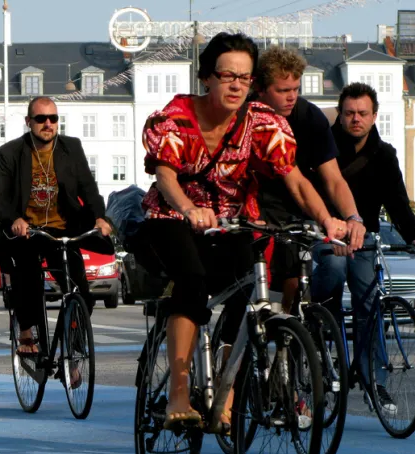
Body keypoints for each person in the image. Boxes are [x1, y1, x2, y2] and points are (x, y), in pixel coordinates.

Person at [134, 32, 346, 431]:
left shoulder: (264, 124)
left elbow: (296, 180)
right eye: (227, 75)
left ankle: (227, 390)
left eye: (244, 78)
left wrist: (328, 219)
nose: (235, 84)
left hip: (230, 221)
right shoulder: (176, 117)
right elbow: (165, 175)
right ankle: (178, 393)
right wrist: (189, 208)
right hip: (171, 219)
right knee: (193, 283)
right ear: (206, 78)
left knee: (247, 287)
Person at [0, 96, 113, 374]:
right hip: (27, 233)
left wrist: (100, 217)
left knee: (80, 290)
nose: (48, 124)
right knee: (28, 277)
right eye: (41, 119)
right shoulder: (11, 152)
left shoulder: (72, 147)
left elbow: (88, 188)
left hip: (62, 230)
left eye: (53, 118)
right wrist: (14, 220)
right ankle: (26, 332)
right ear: (28, 122)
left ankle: (74, 346)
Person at [311, 82, 415, 414]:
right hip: (326, 234)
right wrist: (329, 227)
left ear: (374, 116)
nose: (356, 119)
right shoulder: (323, 147)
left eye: (363, 113)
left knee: (371, 304)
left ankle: (376, 381)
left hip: (365, 238)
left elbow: (398, 205)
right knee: (333, 278)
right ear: (339, 115)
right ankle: (321, 354)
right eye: (350, 113)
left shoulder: (384, 156)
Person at [254, 47, 365, 313]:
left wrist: (353, 217)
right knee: (247, 300)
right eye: (283, 90)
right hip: (252, 204)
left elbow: (333, 179)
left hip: (295, 207)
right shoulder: (246, 114)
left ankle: (293, 346)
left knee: (296, 285)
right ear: (260, 89)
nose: (292, 96)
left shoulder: (310, 117)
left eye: (296, 88)